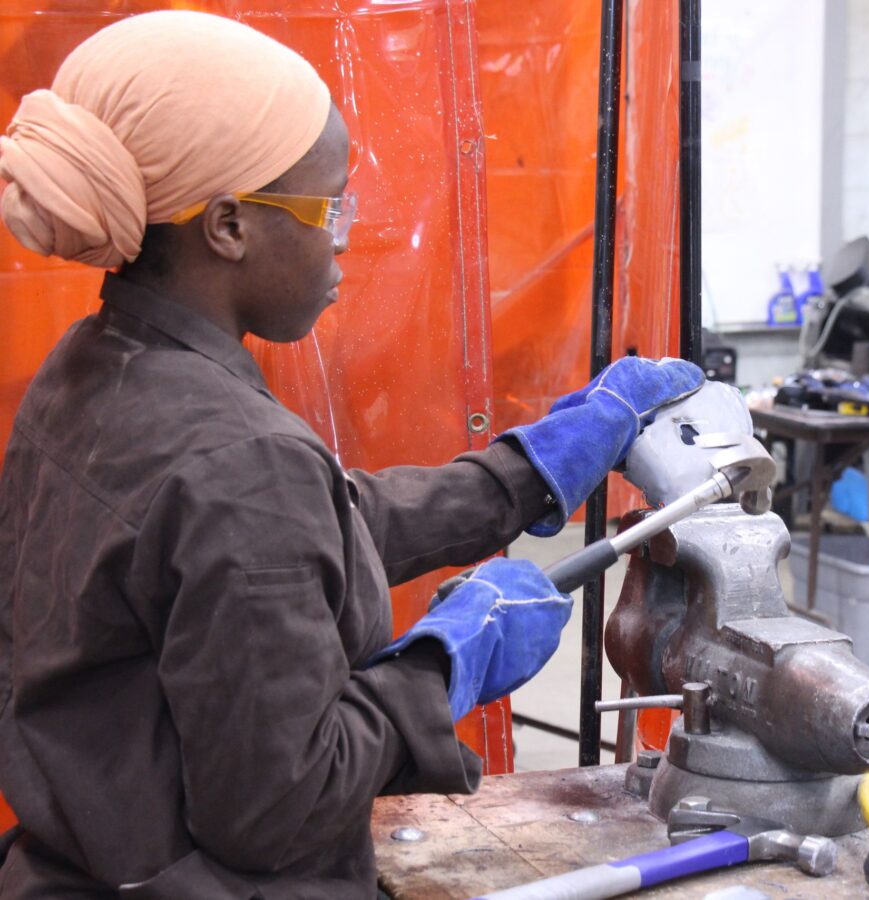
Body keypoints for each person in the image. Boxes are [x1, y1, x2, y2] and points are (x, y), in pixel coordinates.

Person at [0, 11, 704, 898]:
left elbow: (303, 531)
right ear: (227, 226)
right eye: (328, 207)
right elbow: (280, 805)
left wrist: (526, 474)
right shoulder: (236, 458)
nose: (342, 237)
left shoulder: (92, 369)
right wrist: (445, 667)